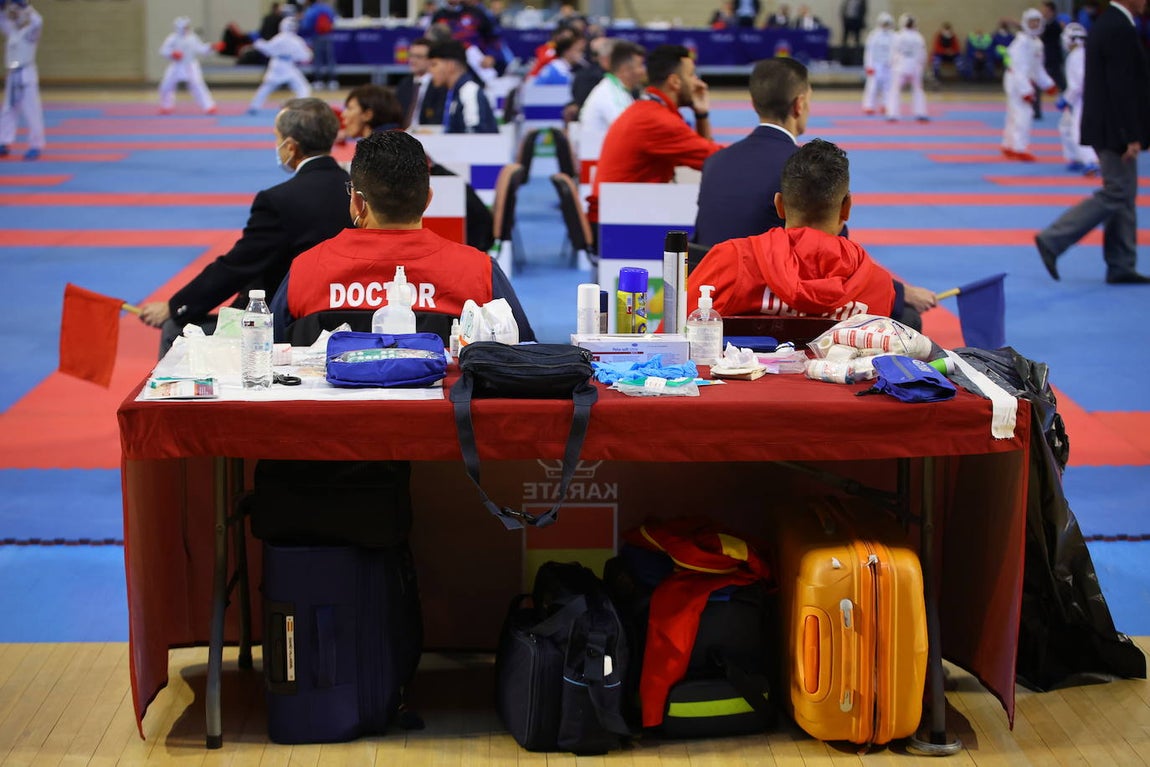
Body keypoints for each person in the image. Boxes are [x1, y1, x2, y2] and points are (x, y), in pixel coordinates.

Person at [270, 130, 535, 342]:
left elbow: (266, 350)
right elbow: (523, 349)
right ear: (428, 200)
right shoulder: (479, 272)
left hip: (328, 409)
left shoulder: (306, 269)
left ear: (358, 203)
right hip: (446, 409)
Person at [138, 98, 351, 355]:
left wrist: (176, 306)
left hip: (288, 320)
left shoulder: (279, 201)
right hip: (348, 309)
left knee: (176, 330)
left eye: (277, 138)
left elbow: (238, 265)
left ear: (291, 146)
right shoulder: (357, 191)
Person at [688, 139, 937, 328]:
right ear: (847, 207)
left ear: (779, 205)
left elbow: (671, 341)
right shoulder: (877, 286)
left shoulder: (731, 261)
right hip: (840, 396)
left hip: (742, 395)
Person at [1036, 0, 1150, 285]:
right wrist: (1130, 134)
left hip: (1109, 125)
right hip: (1115, 128)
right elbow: (1120, 85)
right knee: (1117, 192)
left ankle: (1121, 263)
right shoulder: (1117, 27)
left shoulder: (1109, 23)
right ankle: (1054, 238)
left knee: (1124, 196)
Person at [334, 84, 495, 253]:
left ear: (368, 114)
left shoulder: (385, 152)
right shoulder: (398, 142)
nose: (343, 115)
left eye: (350, 108)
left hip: (472, 226)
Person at [587, 45, 721, 226]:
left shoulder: (649, 109)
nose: (698, 83)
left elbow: (706, 157)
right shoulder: (655, 120)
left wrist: (701, 114)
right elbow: (717, 160)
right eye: (691, 75)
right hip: (617, 223)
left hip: (622, 211)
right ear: (674, 82)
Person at [694, 57, 810, 249]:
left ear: (754, 104)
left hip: (706, 275)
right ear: (799, 104)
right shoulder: (805, 168)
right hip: (765, 277)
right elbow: (829, 245)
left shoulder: (715, 162)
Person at [1002, 9, 1057, 162]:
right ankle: (1019, 147)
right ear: (1025, 22)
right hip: (1016, 80)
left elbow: (1037, 68)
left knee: (1014, 113)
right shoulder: (1020, 42)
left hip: (1025, 80)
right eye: (1031, 21)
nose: (1034, 24)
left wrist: (1048, 84)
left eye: (1037, 21)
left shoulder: (1037, 43)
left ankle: (1008, 145)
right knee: (1023, 114)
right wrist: (1025, 90)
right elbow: (1019, 68)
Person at [0, 0, 44, 161]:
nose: (15, 15)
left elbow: (39, 21)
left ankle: (36, 145)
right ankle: (4, 142)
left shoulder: (31, 32)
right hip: (12, 74)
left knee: (32, 111)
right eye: (13, 12)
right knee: (8, 110)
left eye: (17, 12)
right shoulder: (12, 32)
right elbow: (2, 20)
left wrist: (25, 6)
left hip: (26, 75)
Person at [1056, 23, 1099, 174]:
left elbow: (1078, 84)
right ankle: (1077, 157)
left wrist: (1066, 99)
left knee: (1079, 131)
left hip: (1083, 98)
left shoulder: (1076, 57)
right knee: (1067, 127)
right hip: (1089, 97)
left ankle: (1090, 161)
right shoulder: (1086, 53)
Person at [428, 39, 499, 133]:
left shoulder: (469, 91)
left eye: (434, 65)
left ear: (450, 65)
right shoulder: (454, 93)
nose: (430, 71)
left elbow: (475, 136)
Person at [247, 15, 314, 113]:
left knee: (267, 87)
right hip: (286, 65)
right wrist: (310, 54)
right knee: (302, 87)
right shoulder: (296, 40)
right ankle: (302, 106)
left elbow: (267, 49)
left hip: (279, 64)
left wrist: (258, 41)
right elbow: (305, 56)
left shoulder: (279, 38)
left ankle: (254, 106)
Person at [578, 40, 646, 134]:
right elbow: (629, 131)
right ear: (624, 69)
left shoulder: (619, 90)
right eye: (640, 65)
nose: (643, 71)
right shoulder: (609, 94)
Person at [157, 17, 219, 116]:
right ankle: (166, 106)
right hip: (176, 66)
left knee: (198, 85)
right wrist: (172, 53)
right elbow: (163, 50)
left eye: (187, 26)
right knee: (166, 86)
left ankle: (209, 106)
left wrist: (211, 47)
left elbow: (201, 49)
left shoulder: (192, 38)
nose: (187, 28)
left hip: (191, 65)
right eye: (184, 27)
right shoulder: (172, 38)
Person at [885, 13, 928, 122]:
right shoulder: (918, 37)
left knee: (894, 90)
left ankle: (893, 114)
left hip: (900, 67)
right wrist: (921, 65)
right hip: (915, 67)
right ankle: (920, 113)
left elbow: (893, 53)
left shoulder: (898, 36)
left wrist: (891, 64)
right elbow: (923, 54)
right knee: (918, 90)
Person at [396, 37, 447, 129]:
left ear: (431, 60)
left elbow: (438, 119)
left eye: (419, 57)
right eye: (411, 55)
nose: (412, 60)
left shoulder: (440, 86)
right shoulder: (404, 84)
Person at [299, 0, 338, 90]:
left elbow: (306, 25)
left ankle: (318, 81)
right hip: (328, 36)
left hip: (317, 36)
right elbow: (333, 20)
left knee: (318, 59)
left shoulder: (312, 9)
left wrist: (301, 22)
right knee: (330, 58)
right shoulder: (327, 8)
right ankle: (333, 81)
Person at [1037, 2, 1066, 119]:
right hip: (1042, 59)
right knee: (1037, 86)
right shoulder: (1041, 25)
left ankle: (1070, 104)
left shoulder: (1055, 25)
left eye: (1046, 11)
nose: (1044, 13)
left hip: (1053, 59)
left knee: (1062, 84)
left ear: (1052, 12)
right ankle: (1036, 112)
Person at [862, 12, 894, 115]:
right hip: (876, 64)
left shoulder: (893, 36)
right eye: (884, 23)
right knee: (872, 86)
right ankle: (869, 106)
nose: (885, 25)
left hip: (888, 65)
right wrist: (869, 65)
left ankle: (886, 105)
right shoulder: (874, 35)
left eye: (887, 23)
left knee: (888, 87)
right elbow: (869, 52)